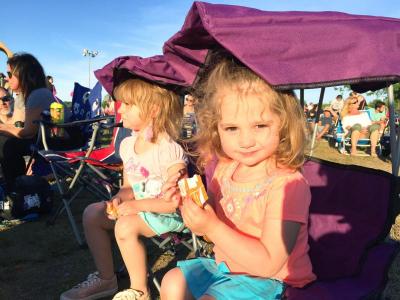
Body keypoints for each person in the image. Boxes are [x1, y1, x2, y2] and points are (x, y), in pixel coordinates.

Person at [160, 54, 316, 299]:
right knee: (173, 281)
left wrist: (211, 226)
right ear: (216, 129)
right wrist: (186, 202)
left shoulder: (287, 185)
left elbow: (269, 264)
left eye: (260, 126)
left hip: (271, 279)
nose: (245, 141)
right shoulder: (224, 169)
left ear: (284, 124)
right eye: (232, 128)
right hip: (226, 266)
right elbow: (209, 220)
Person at [60, 78, 187, 300]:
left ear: (153, 110)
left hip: (169, 214)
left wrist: (133, 206)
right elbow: (128, 187)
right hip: (138, 209)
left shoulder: (169, 149)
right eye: (121, 103)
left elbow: (174, 201)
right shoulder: (128, 145)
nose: (121, 109)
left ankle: (140, 290)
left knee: (126, 225)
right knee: (92, 213)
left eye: (128, 104)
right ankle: (106, 279)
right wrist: (119, 200)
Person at [0, 53, 55, 193]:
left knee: (6, 143)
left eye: (10, 74)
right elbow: (16, 123)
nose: (7, 78)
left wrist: (2, 127)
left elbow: (27, 132)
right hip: (41, 139)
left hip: (56, 141)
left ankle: (16, 189)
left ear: (23, 74)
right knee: (6, 140)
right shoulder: (23, 95)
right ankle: (14, 185)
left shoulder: (38, 94)